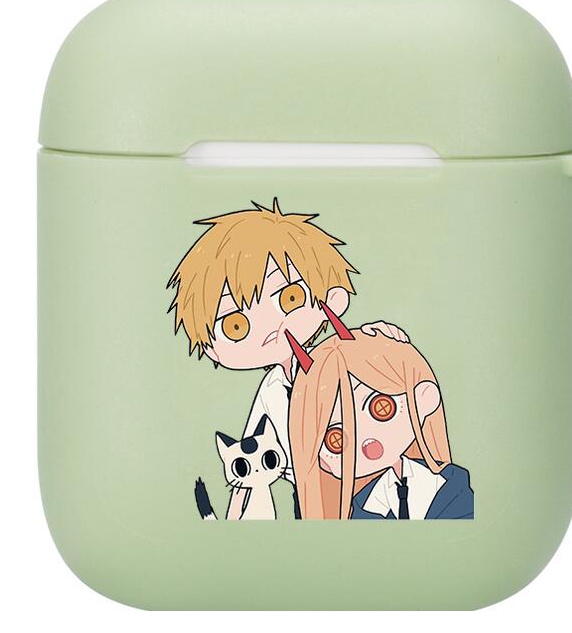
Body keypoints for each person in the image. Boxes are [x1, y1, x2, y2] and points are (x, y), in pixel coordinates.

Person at [167, 199, 409, 518]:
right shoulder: (272, 389)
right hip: (310, 496)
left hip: (373, 477)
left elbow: (394, 383)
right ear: (213, 347)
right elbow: (247, 463)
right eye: (235, 325)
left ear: (333, 296)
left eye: (290, 297)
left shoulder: (344, 354)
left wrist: (388, 342)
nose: (270, 328)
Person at [288, 331, 474, 520]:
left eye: (381, 407)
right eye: (337, 439)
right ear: (323, 461)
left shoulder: (453, 484)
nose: (367, 441)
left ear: (423, 399)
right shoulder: (361, 510)